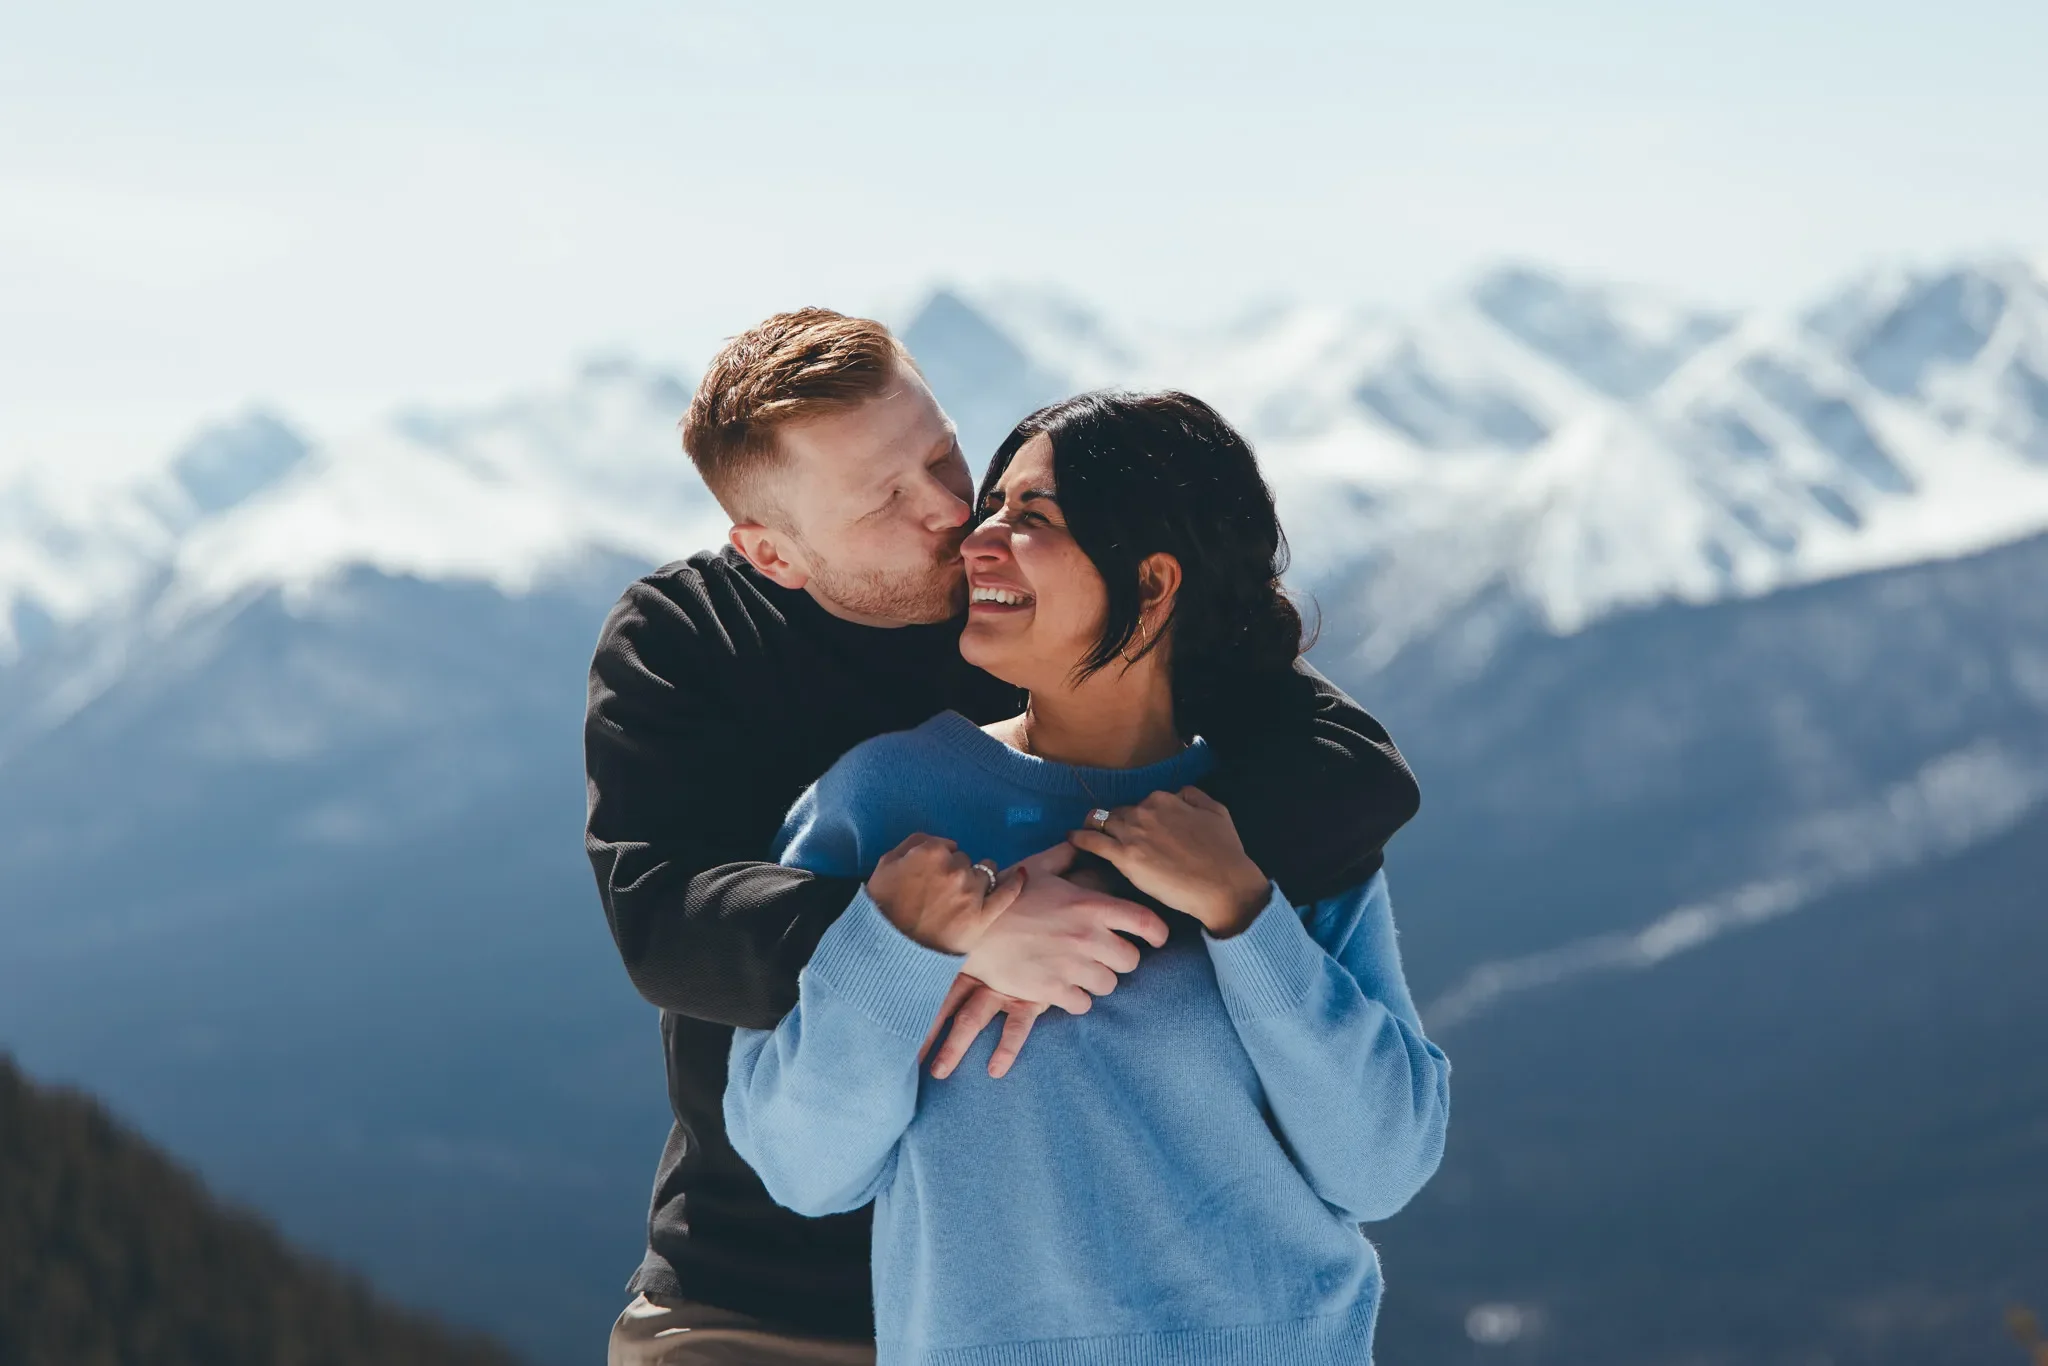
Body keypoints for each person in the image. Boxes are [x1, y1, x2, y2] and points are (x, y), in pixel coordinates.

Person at [586, 311, 1421, 1364]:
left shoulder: (1066, 607)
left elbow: (1347, 764)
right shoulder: (696, 643)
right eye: (884, 498)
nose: (948, 511)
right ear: (772, 553)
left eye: (942, 456)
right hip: (765, 1289)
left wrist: (1157, 888)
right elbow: (666, 920)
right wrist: (947, 932)